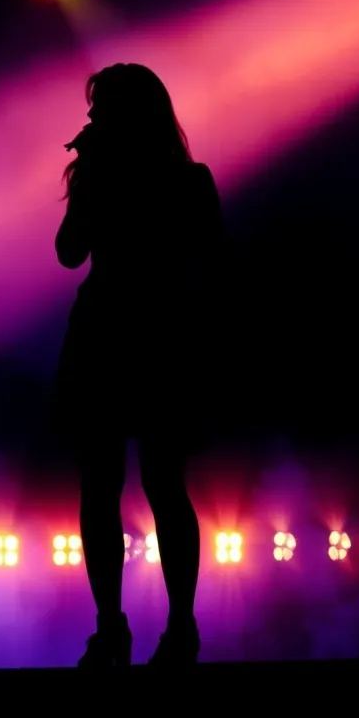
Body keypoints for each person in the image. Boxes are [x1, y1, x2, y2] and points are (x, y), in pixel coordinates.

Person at [51, 63, 223, 668]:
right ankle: (118, 628)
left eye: (102, 107)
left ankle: (172, 630)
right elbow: (69, 250)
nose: (92, 117)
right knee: (109, 484)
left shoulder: (187, 182)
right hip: (115, 335)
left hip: (152, 335)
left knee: (157, 483)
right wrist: (89, 181)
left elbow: (207, 264)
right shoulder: (111, 175)